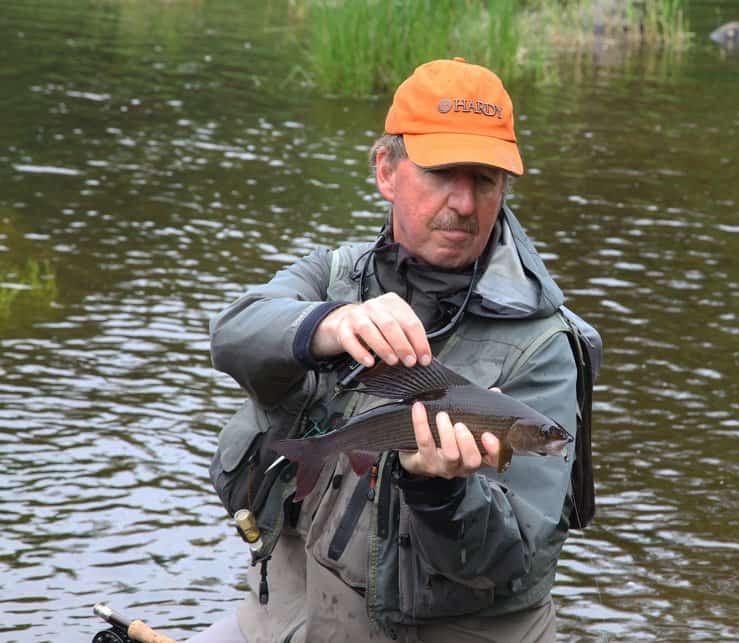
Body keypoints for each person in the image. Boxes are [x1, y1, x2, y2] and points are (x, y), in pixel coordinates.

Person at [196, 57, 599, 643]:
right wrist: (330, 325)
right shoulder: (332, 274)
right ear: (387, 170)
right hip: (289, 615)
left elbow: (511, 559)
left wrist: (441, 491)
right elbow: (231, 333)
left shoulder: (545, 346)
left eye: (484, 179)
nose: (464, 202)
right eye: (442, 173)